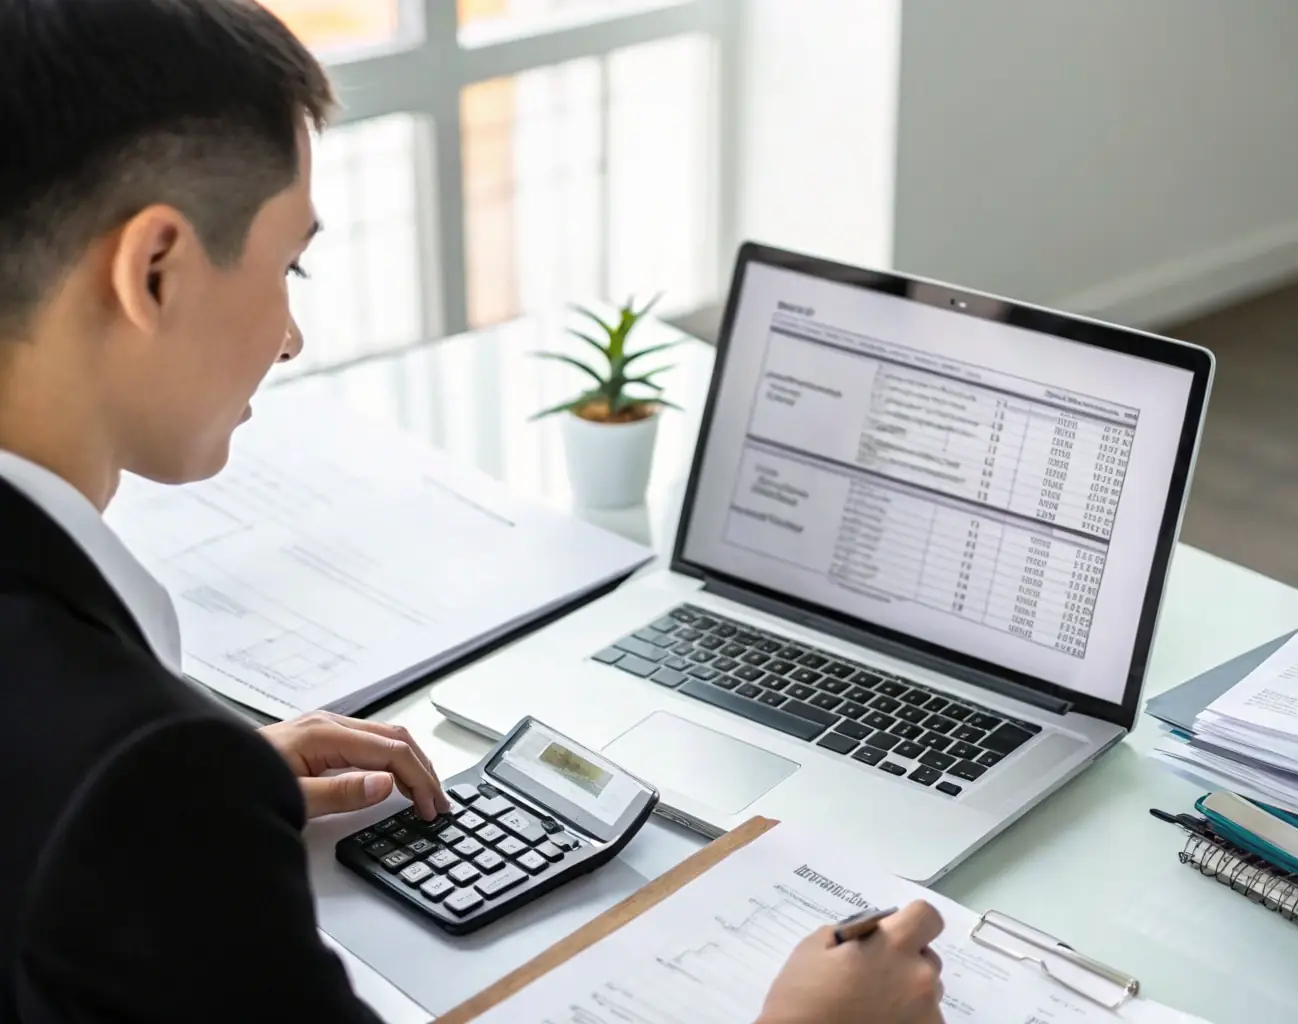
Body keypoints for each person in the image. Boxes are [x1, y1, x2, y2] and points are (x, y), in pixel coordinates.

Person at [0, 1, 947, 1021]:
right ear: (155, 270)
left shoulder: (126, 776)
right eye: (289, 266)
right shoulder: (141, 780)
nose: (291, 339)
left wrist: (198, 815)